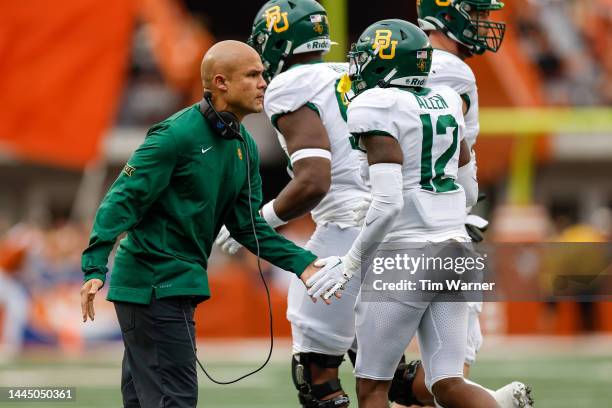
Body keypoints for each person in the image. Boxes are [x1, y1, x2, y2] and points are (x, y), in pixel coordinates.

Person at [80, 40, 341, 408]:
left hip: (173, 286)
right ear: (221, 83)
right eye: (252, 75)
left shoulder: (245, 146)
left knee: (143, 400)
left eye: (263, 74)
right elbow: (123, 198)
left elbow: (247, 225)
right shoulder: (175, 135)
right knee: (176, 400)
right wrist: (94, 265)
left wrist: (303, 264)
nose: (263, 83)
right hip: (152, 285)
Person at [308, 19, 497, 408]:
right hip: (456, 252)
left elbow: (389, 203)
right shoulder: (446, 98)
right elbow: (470, 190)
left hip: (405, 257)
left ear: (386, 64)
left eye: (365, 59)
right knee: (446, 383)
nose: (357, 67)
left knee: (373, 388)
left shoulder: (374, 104)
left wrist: (349, 263)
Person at [216, 1, 369, 406]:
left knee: (317, 377)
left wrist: (257, 220)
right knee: (384, 370)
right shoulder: (350, 74)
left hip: (348, 231)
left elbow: (316, 180)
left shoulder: (290, 85)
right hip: (396, 224)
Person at [386, 1, 533, 406]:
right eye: (479, 14)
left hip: (385, 227)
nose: (486, 24)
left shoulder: (389, 67)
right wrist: (463, 203)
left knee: (378, 376)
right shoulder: (452, 71)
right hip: (438, 224)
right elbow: (459, 155)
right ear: (449, 14)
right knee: (446, 374)